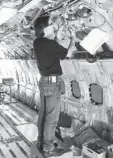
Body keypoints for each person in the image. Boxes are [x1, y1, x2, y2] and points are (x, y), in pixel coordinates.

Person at [33, 15, 75, 157]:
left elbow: (53, 47)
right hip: (51, 83)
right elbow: (66, 53)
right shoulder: (49, 44)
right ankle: (48, 148)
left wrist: (57, 33)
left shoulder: (38, 42)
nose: (54, 25)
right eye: (51, 23)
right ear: (46, 28)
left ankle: (41, 142)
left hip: (44, 82)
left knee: (43, 114)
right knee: (52, 118)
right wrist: (73, 38)